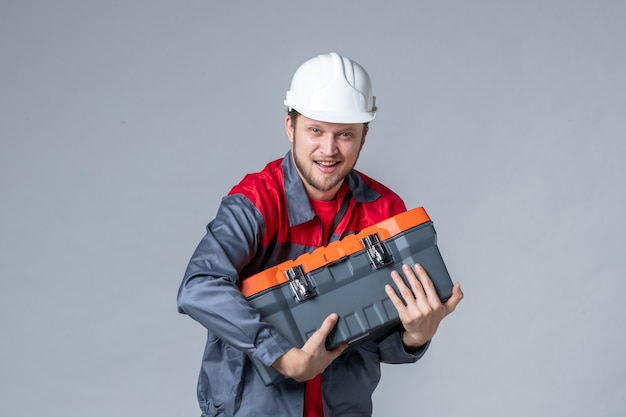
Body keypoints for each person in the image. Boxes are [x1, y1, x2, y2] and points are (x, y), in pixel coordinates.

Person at [177, 52, 463, 417]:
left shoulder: (385, 211)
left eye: (345, 134)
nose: (329, 150)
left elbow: (378, 337)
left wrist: (414, 337)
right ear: (290, 127)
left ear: (363, 136)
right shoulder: (257, 201)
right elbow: (198, 285)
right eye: (316, 130)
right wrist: (280, 355)